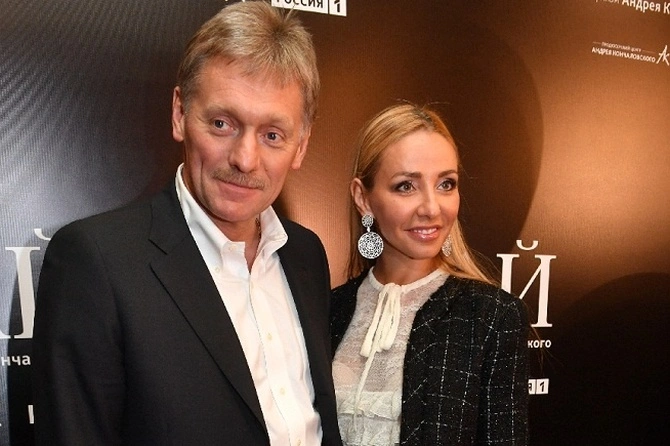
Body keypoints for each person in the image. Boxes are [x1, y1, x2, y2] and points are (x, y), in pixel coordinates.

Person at [32, 2, 342, 445]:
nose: (245, 159)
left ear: (302, 146)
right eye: (222, 123)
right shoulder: (96, 261)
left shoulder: (305, 254)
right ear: (180, 113)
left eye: (272, 135)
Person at [330, 103, 529, 445]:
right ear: (363, 198)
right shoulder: (329, 309)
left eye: (446, 184)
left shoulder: (491, 316)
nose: (432, 208)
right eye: (406, 186)